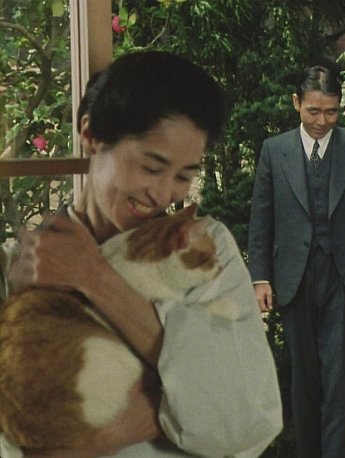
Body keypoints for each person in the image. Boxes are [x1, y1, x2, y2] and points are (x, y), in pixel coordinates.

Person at [0, 50, 283, 457]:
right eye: (151, 167)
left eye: (184, 176)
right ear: (91, 135)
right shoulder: (21, 266)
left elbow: (244, 422)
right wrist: (122, 428)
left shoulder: (199, 248)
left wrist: (92, 276)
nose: (163, 194)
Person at [247, 65, 345, 458]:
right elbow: (262, 219)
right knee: (303, 378)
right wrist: (260, 277)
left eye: (331, 112)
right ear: (296, 103)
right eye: (313, 111)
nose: (322, 121)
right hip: (293, 277)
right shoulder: (274, 151)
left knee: (341, 377)